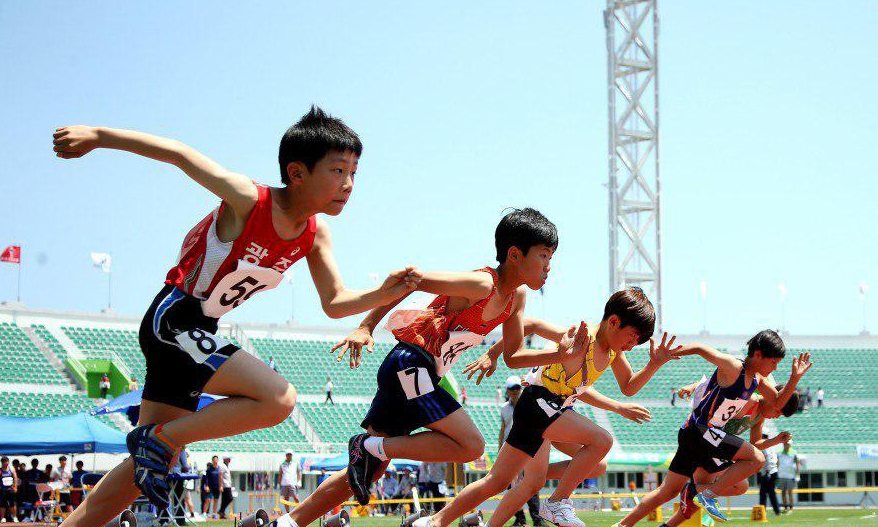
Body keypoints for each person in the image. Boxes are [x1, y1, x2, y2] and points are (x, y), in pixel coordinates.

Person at [52, 107, 421, 526]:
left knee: (148, 465)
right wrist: (98, 135)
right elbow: (180, 154)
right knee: (278, 398)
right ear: (296, 172)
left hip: (196, 331)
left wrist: (387, 292)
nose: (349, 185)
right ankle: (157, 439)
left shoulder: (315, 233)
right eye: (338, 171)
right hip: (174, 320)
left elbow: (335, 301)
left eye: (354, 172)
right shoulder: (250, 200)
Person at [280, 208, 560, 527]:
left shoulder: (516, 299)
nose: (549, 266)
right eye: (543, 255)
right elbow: (410, 282)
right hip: (410, 363)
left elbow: (514, 356)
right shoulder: (482, 284)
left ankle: (287, 523)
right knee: (471, 445)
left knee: (367, 470)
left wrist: (560, 354)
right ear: (514, 254)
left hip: (418, 373)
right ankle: (369, 447)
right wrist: (366, 325)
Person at [419, 290, 675, 527]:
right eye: (632, 337)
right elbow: (530, 324)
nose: (631, 345)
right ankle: (556, 502)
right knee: (601, 440)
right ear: (614, 322)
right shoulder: (582, 336)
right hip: (537, 402)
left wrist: (654, 364)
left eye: (638, 341)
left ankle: (440, 521)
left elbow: (628, 387)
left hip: (555, 409)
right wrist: (494, 353)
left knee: (512, 480)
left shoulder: (613, 353)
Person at [611, 331, 808, 526]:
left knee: (668, 491)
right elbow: (700, 348)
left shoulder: (759, 381)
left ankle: (622, 525)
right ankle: (705, 495)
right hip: (701, 429)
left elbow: (777, 401)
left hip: (696, 434)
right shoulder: (733, 367)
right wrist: (666, 355)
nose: (774, 368)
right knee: (756, 459)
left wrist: (794, 378)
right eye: (773, 362)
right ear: (757, 354)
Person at [660, 378, 807, 527]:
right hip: (706, 440)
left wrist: (776, 440)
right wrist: (693, 386)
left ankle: (686, 501)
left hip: (717, 447)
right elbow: (720, 387)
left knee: (711, 494)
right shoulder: (750, 400)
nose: (777, 416)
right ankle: (694, 492)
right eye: (778, 410)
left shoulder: (759, 416)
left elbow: (755, 443)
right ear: (772, 398)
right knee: (734, 484)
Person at [498, 376, 541, 527]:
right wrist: (499, 450)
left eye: (517, 388)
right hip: (509, 449)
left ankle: (537, 519)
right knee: (512, 485)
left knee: (529, 482)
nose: (515, 391)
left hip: (527, 448)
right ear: (508, 391)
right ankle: (520, 518)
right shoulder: (504, 408)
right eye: (512, 388)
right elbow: (503, 429)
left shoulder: (529, 405)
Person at [758, 434, 781, 516]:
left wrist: (767, 472)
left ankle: (762, 512)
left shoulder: (764, 447)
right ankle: (776, 511)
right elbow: (776, 460)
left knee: (763, 494)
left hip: (767, 472)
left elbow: (767, 458)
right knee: (771, 493)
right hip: (773, 471)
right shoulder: (772, 447)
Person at [777, 440, 800, 513]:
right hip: (781, 475)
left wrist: (797, 475)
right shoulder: (779, 453)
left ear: (790, 445)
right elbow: (777, 464)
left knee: (790, 492)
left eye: (788, 444)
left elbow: (797, 464)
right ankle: (785, 507)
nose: (786, 445)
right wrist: (776, 474)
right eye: (785, 443)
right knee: (783, 492)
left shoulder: (794, 452)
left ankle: (791, 508)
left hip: (790, 476)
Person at [0, 456, 18, 522]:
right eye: (4, 462)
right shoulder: (0, 470)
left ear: (8, 462)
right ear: (2, 462)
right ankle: (2, 518)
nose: (5, 463)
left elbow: (15, 478)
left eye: (6, 461)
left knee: (12, 504)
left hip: (11, 490)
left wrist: (15, 487)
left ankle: (15, 517)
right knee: (2, 504)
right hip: (2, 490)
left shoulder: (11, 470)